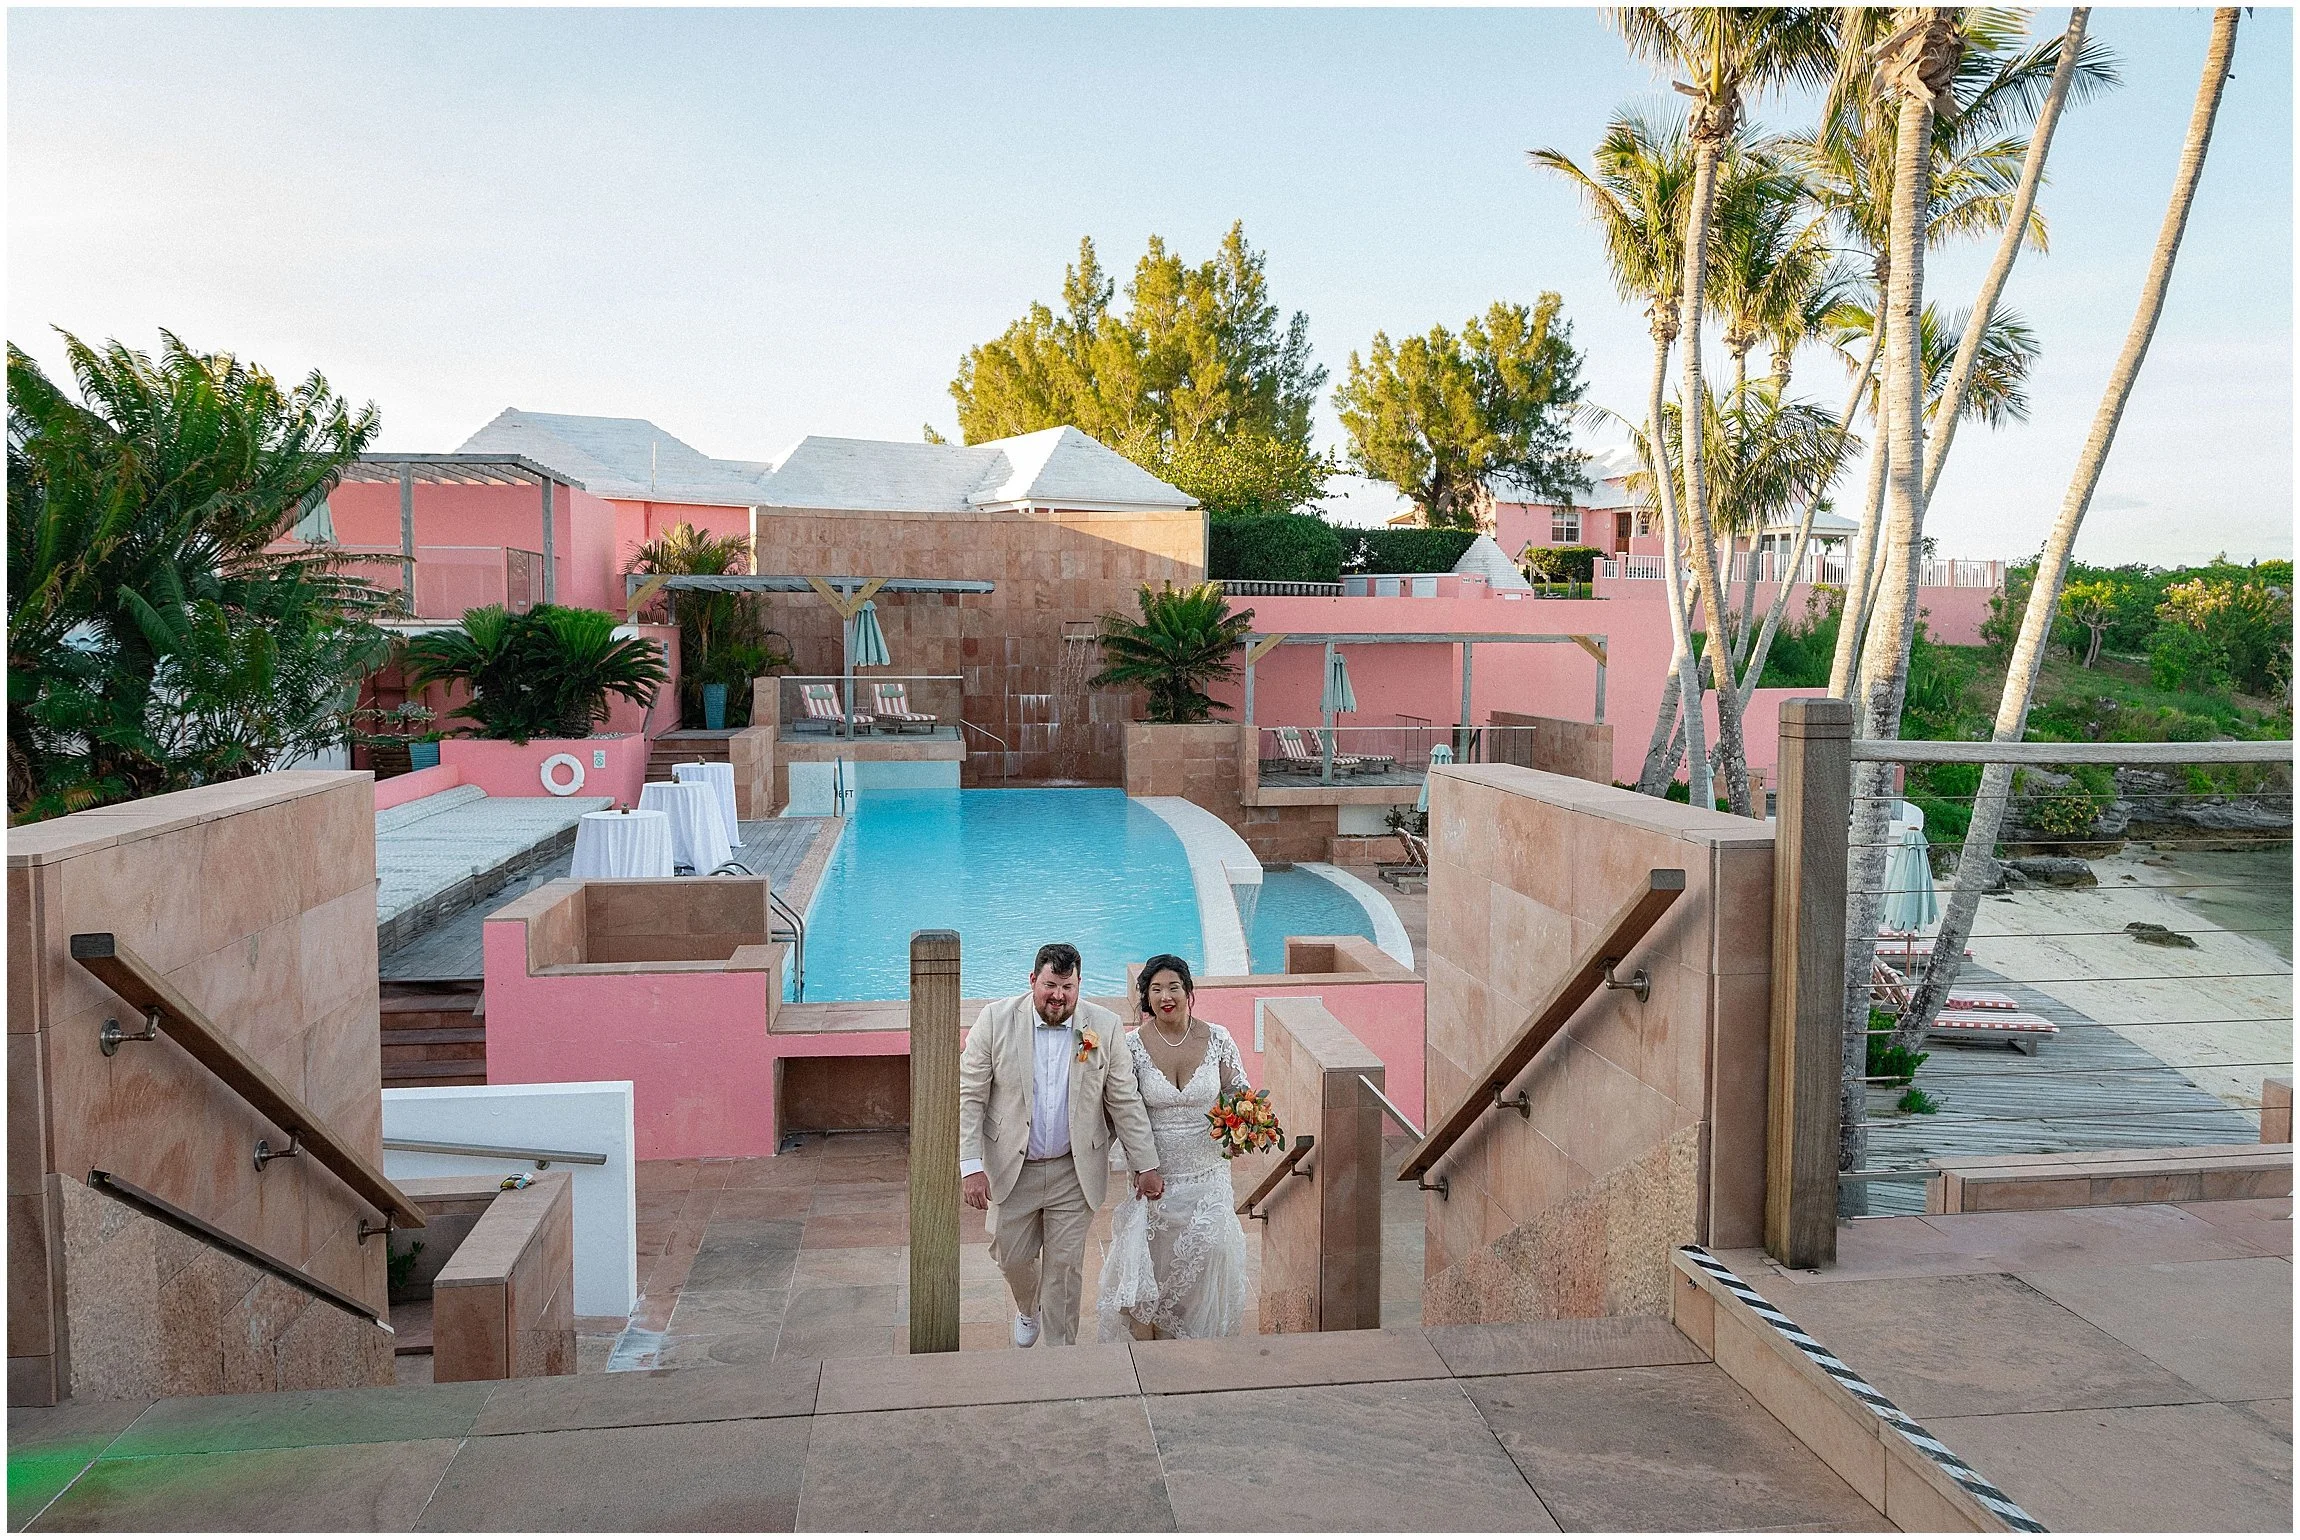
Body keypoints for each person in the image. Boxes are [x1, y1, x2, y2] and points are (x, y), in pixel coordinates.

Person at [958, 942, 1162, 1348]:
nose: (1058, 995)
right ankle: (1026, 1307)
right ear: (1033, 980)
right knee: (1010, 1255)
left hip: (1075, 1169)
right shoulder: (995, 1020)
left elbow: (1123, 1098)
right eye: (1050, 985)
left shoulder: (1101, 1027)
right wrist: (970, 1163)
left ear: (1079, 985)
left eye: (1067, 987)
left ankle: (1062, 1363)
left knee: (1064, 1271)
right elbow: (970, 1094)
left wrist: (1146, 1162)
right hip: (1012, 1168)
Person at [1094, 954, 1251, 1341]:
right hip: (1155, 1178)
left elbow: (1239, 1094)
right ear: (1146, 998)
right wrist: (1136, 1163)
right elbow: (1119, 1108)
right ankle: (1155, 1351)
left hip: (1208, 1175)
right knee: (1154, 1269)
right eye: (1156, 989)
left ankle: (1196, 1347)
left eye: (1174, 987)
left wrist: (1243, 1124)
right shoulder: (1130, 1046)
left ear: (1189, 993)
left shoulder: (1218, 1039)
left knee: (1208, 1255)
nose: (1166, 996)